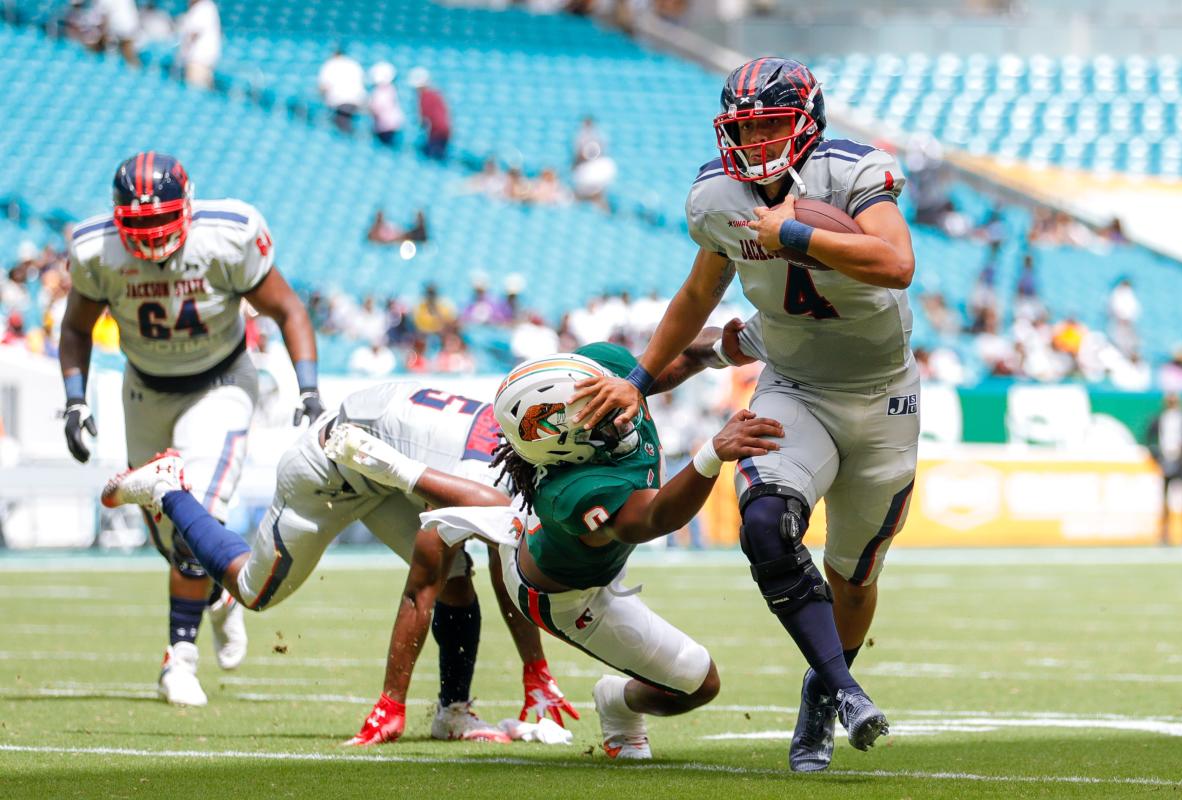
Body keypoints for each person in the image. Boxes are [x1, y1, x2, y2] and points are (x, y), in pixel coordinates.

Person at [571, 57, 909, 772]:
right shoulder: (716, 197)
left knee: (852, 577)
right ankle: (848, 693)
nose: (756, 143)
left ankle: (820, 692)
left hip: (881, 395)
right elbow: (696, 297)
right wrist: (635, 378)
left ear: (809, 122)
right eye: (744, 128)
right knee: (765, 523)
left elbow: (896, 263)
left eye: (770, 126)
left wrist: (796, 234)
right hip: (793, 383)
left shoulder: (851, 172)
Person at [100, 381, 578, 743]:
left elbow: (505, 559)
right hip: (329, 469)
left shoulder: (519, 436)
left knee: (457, 576)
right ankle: (169, 488)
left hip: (386, 465)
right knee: (252, 590)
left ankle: (453, 712)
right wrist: (390, 704)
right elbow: (420, 587)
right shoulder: (480, 474)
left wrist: (535, 669)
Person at [421, 344, 783, 759]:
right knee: (700, 683)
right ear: (568, 444)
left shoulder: (598, 370)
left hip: (594, 550)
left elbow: (683, 355)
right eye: (592, 410)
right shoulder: (573, 490)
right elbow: (656, 518)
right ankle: (616, 701)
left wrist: (735, 343)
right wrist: (711, 453)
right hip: (564, 595)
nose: (611, 401)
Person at [59, 152, 324, 707]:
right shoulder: (94, 248)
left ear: (189, 207)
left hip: (220, 384)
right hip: (145, 389)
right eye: (139, 227)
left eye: (162, 223)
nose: (153, 239)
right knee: (166, 532)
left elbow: (288, 309)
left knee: (193, 513)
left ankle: (178, 657)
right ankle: (223, 598)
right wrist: (75, 401)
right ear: (117, 219)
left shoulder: (227, 236)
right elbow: (76, 328)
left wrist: (307, 389)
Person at [1146, 393, 1182, 545]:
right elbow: (1150, 438)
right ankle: (1164, 533)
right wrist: (1158, 458)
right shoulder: (1159, 418)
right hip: (1165, 461)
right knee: (1164, 499)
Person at [318, 46, 366, 134]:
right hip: (356, 102)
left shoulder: (330, 64)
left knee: (340, 128)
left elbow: (323, 86)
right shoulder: (354, 64)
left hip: (339, 102)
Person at [176, 0, 221, 89]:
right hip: (202, 61)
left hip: (198, 61)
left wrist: (182, 51)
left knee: (195, 91)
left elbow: (194, 33)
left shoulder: (203, 7)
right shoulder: (204, 6)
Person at [409, 67, 451, 160]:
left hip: (436, 132)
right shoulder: (435, 94)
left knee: (433, 156)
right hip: (443, 130)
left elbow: (424, 119)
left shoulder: (425, 96)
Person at [367, 62, 404, 147]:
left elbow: (377, 108)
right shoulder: (390, 89)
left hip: (385, 125)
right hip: (388, 125)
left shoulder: (382, 91)